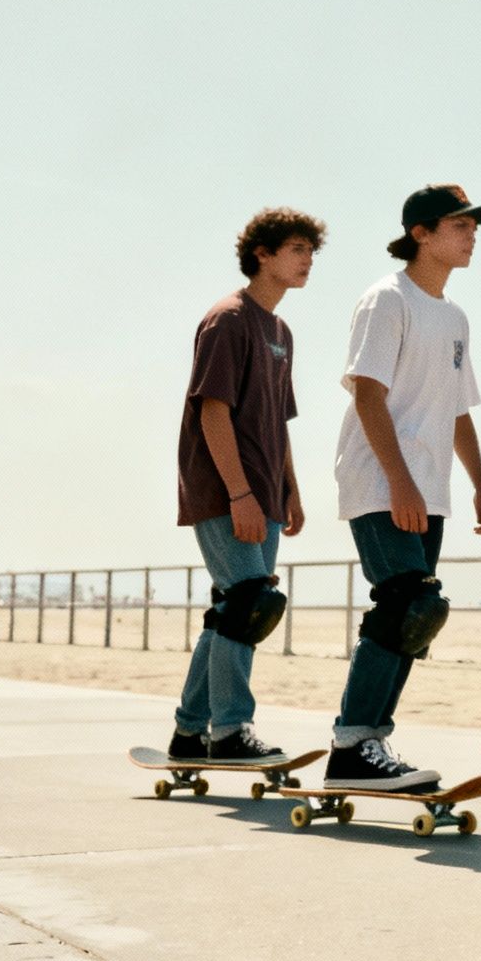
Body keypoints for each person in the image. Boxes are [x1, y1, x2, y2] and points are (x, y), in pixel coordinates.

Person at [323, 185, 481, 790]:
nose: (472, 233)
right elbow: (367, 393)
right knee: (405, 604)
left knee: (418, 615)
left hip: (431, 487)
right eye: (459, 224)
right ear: (421, 233)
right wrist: (399, 482)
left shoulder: (453, 317)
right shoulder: (386, 300)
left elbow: (457, 410)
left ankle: (369, 745)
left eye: (474, 225)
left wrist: (480, 482)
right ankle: (352, 747)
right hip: (380, 479)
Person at [167, 210, 324, 761]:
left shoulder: (280, 330)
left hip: (265, 491)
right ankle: (229, 731)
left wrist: (291, 491)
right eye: (298, 249)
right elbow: (213, 412)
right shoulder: (229, 319)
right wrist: (239, 494)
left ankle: (189, 733)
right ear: (263, 252)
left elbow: (277, 420)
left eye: (311, 251)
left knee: (234, 609)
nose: (308, 261)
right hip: (226, 490)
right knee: (250, 604)